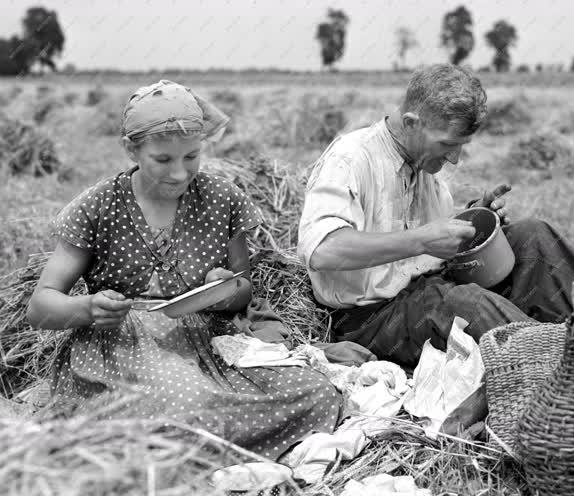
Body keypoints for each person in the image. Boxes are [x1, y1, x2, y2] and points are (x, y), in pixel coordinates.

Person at [298, 64, 574, 405]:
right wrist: (422, 239)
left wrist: (472, 218)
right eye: (448, 145)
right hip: (373, 319)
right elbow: (323, 249)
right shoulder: (350, 159)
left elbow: (423, 239)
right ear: (411, 123)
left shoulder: (424, 162)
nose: (455, 159)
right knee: (467, 303)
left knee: (531, 235)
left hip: (429, 286)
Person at [27, 80, 342, 459]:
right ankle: (185, 446)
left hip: (204, 343)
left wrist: (224, 289)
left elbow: (244, 288)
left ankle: (191, 448)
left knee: (317, 393)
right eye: (163, 160)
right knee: (187, 403)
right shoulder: (97, 206)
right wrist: (89, 308)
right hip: (119, 347)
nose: (180, 173)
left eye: (191, 157)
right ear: (131, 149)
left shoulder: (221, 199)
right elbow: (40, 307)